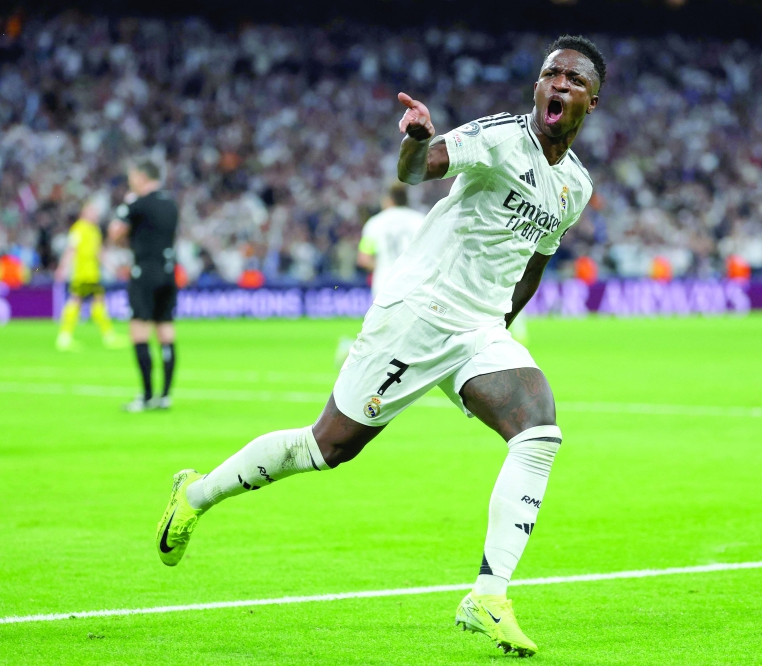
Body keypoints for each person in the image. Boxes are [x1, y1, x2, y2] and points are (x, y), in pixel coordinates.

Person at [155, 35, 603, 657]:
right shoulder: (500, 138)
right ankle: (196, 493)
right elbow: (418, 170)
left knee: (539, 431)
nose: (559, 84)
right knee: (327, 447)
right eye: (552, 74)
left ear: (591, 102)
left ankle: (489, 595)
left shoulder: (575, 186)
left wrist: (498, 327)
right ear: (537, 87)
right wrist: (416, 139)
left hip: (478, 329)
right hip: (416, 313)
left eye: (574, 80)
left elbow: (535, 262)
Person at [108, 161, 180, 411]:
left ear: (141, 176)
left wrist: (125, 206)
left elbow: (115, 233)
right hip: (168, 271)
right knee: (166, 330)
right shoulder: (171, 204)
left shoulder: (137, 203)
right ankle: (165, 396)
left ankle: (147, 396)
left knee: (139, 330)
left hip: (145, 272)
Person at [334, 183, 425, 366]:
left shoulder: (375, 223)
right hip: (414, 283)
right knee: (411, 330)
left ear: (388, 200)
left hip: (384, 283)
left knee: (382, 330)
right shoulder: (420, 220)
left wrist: (385, 265)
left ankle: (352, 352)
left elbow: (364, 259)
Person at [55, 200, 126, 351]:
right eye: (92, 212)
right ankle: (64, 338)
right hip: (82, 274)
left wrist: (112, 267)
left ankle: (107, 336)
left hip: (93, 273)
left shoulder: (95, 231)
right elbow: (71, 249)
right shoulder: (79, 228)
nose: (95, 215)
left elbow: (98, 253)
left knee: (96, 302)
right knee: (77, 301)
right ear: (84, 213)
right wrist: (62, 268)